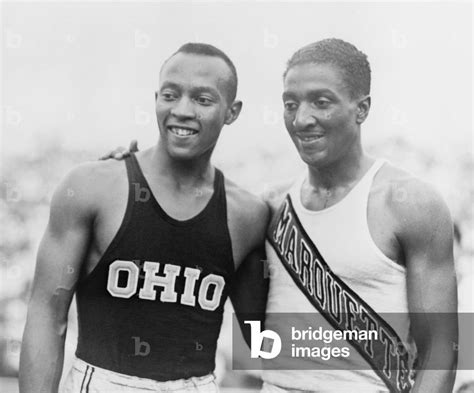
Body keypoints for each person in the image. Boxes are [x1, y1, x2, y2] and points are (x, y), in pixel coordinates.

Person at [19, 43, 269, 393]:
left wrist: (367, 339)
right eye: (170, 94)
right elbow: (48, 314)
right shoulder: (95, 186)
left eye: (202, 99)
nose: (182, 110)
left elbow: (261, 339)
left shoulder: (249, 214)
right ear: (156, 98)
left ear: (232, 111)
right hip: (102, 382)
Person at [261, 38, 458, 393]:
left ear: (361, 108)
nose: (302, 119)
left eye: (321, 102)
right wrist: (126, 170)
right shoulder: (271, 206)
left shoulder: (409, 203)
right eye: (291, 104)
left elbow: (440, 353)